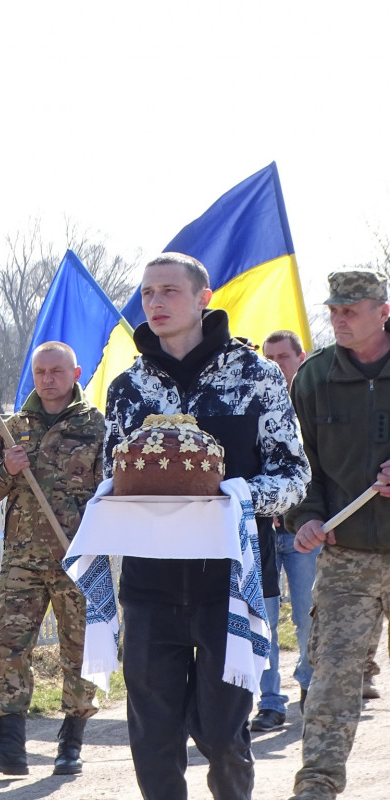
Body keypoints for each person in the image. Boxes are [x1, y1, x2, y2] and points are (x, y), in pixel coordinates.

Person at [103, 253, 309, 800]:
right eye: (147, 293)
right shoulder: (129, 388)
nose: (155, 303)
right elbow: (112, 475)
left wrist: (233, 497)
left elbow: (293, 475)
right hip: (150, 587)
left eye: (169, 290)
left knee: (222, 735)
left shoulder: (257, 377)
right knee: (153, 739)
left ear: (203, 298)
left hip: (233, 587)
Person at [0, 341, 103, 777]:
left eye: (56, 372)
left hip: (78, 558)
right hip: (22, 561)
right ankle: (10, 748)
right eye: (41, 371)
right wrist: (6, 467)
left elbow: (112, 494)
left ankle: (71, 745)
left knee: (80, 651)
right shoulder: (13, 427)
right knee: (10, 649)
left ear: (75, 373)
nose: (48, 379)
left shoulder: (96, 427)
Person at [287, 270, 390, 800]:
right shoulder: (314, 376)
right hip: (345, 555)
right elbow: (297, 461)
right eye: (334, 310)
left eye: (352, 310)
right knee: (331, 679)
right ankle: (317, 787)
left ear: (383, 312)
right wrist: (304, 516)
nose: (339, 319)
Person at [248, 330, 317, 731]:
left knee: (309, 615)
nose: (275, 364)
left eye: (283, 357)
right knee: (266, 618)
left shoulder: (311, 405)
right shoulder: (251, 402)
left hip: (302, 531)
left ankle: (310, 683)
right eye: (268, 356)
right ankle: (271, 700)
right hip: (260, 532)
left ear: (299, 357)